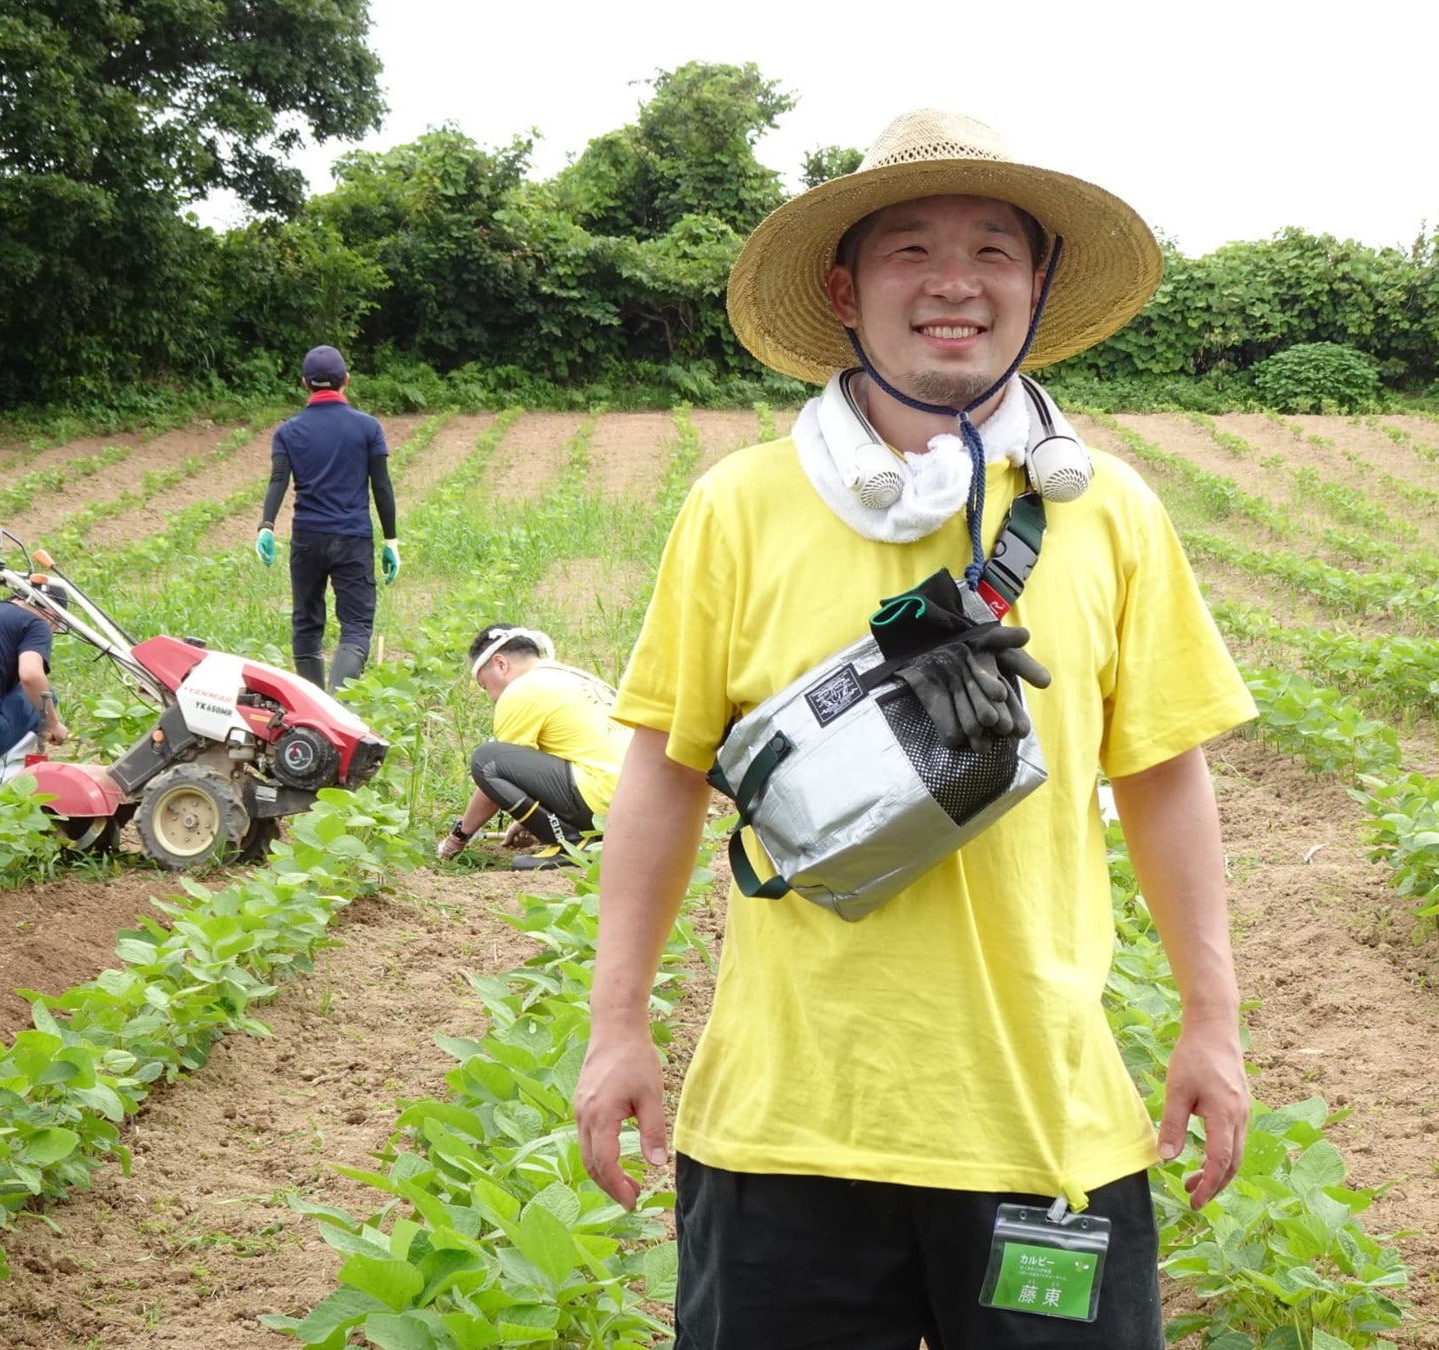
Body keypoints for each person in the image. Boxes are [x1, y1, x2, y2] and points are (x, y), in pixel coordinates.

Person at [573, 109, 1258, 1348]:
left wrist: (1214, 1020)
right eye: (911, 250)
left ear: (1038, 285)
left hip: (1046, 1127)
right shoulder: (738, 508)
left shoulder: (1111, 514)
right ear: (844, 291)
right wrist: (616, 1026)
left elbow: (1164, 777)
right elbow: (664, 779)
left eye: (994, 249)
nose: (955, 283)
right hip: (784, 1134)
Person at [255, 345, 400, 693]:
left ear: (305, 383)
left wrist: (266, 526)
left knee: (306, 623)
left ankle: (312, 708)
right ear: (345, 380)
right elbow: (381, 486)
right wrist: (391, 540)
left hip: (307, 537)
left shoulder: (288, 432)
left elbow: (278, 480)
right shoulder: (368, 428)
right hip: (353, 538)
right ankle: (337, 704)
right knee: (356, 625)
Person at [435, 625, 632, 872]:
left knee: (487, 758)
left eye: (485, 686)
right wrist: (535, 820)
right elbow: (550, 767)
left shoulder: (522, 690)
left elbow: (494, 773)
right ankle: (592, 838)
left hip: (602, 796)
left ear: (500, 664)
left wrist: (460, 835)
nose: (491, 698)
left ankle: (573, 844)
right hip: (635, 803)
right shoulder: (572, 676)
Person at [0, 584, 70, 774]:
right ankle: (3, 778)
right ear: (50, 614)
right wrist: (53, 725)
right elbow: (31, 675)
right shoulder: (35, 623)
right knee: (43, 696)